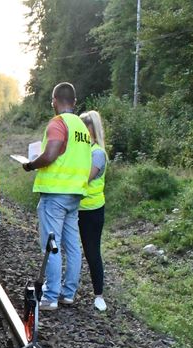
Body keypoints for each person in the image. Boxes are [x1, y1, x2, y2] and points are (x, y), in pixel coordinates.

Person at [22, 83, 91, 311]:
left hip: (55, 194)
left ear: (54, 100)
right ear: (74, 100)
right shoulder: (81, 126)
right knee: (72, 245)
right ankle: (68, 293)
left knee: (51, 245)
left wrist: (31, 164)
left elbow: (51, 154)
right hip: (75, 194)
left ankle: (51, 296)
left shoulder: (58, 123)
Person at [78, 110, 107, 312]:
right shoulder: (81, 151)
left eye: (84, 130)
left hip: (92, 210)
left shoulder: (97, 153)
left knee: (91, 251)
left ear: (93, 131)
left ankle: (99, 295)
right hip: (76, 207)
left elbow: (84, 178)